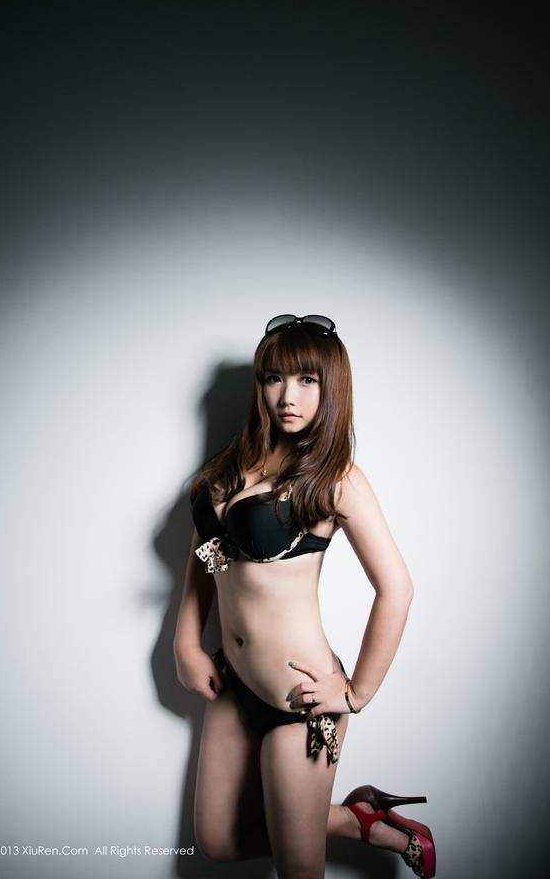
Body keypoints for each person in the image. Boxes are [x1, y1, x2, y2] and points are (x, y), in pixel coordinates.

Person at [173, 314, 436, 879]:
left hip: (301, 701)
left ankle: (355, 821)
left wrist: (356, 692)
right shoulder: (229, 467)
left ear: (329, 388)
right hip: (233, 684)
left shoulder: (335, 479)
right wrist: (186, 643)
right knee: (217, 841)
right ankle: (359, 820)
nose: (287, 396)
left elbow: (396, 588)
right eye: (274, 378)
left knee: (297, 870)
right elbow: (206, 556)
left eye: (307, 380)